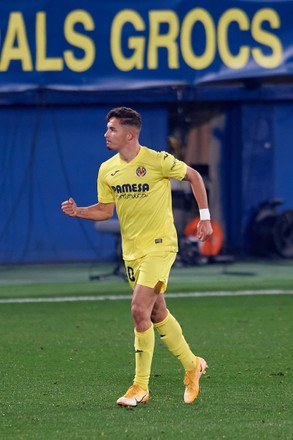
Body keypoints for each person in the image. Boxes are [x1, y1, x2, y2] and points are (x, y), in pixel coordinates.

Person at [61, 107, 213, 407]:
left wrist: (204, 218)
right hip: (132, 252)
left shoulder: (157, 160)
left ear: (130, 134)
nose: (106, 134)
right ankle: (192, 364)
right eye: (107, 129)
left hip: (160, 246)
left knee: (138, 309)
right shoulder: (107, 169)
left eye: (112, 129)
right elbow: (106, 211)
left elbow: (194, 176)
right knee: (156, 313)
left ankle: (140, 387)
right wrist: (79, 211)